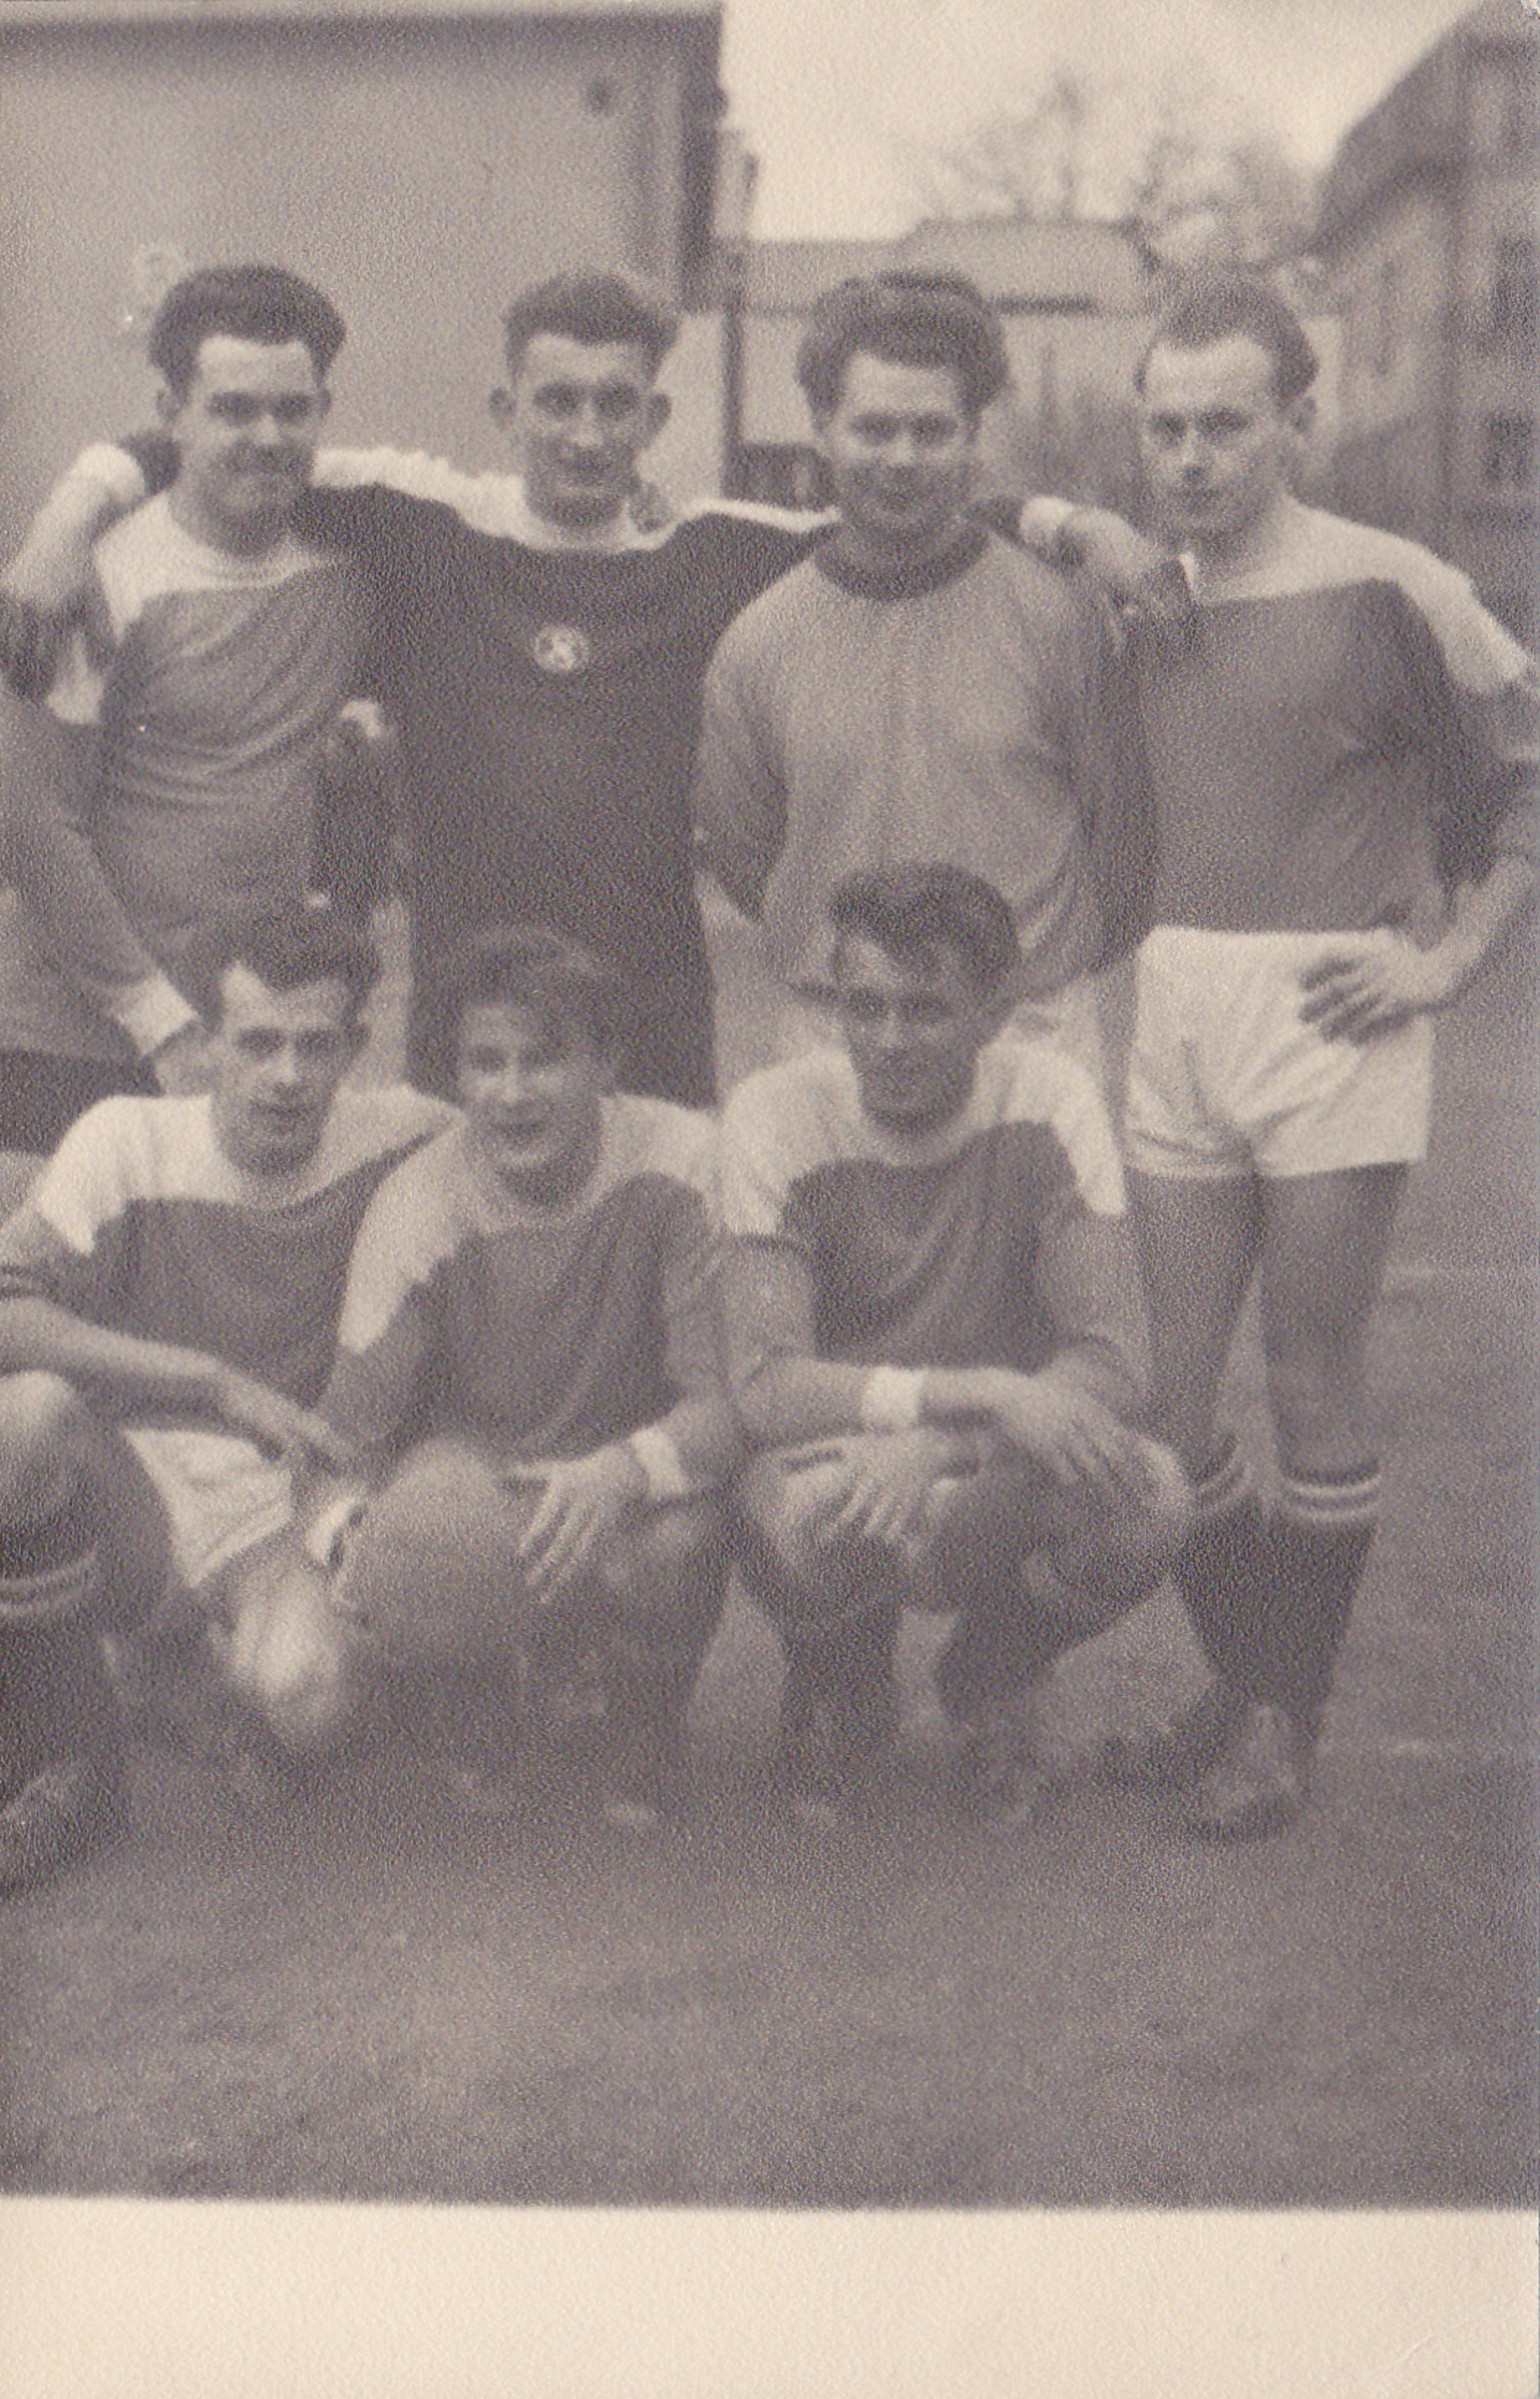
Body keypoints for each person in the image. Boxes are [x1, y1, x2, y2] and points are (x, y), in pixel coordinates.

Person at [1066, 273, 1536, 1839]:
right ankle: (1248, 1678)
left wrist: (1447, 960)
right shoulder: (1142, 593)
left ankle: (1277, 1717)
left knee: (1307, 1373)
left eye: (1225, 424)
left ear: (1297, 427)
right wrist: (1080, 526)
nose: (1191, 456)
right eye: (1165, 427)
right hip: (1178, 1001)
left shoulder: (1394, 585)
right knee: (1171, 1401)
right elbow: (989, 520)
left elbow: (1529, 769)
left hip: (1333, 1012)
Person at [3, 272, 823, 1107]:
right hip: (459, 1036)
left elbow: (877, 521)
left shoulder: (716, 553)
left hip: (650, 1027)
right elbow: (201, 448)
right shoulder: (426, 527)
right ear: (506, 411)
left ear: (654, 418)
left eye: (614, 404)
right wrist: (66, 519)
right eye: (557, 402)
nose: (585, 434)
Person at [715, 863, 1190, 1821]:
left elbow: (1114, 1360)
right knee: (796, 1514)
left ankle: (992, 1677)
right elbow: (764, 1386)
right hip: (842, 1454)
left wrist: (939, 1443)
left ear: (994, 1012)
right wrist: (966, 1396)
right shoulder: (774, 1113)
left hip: (988, 1462)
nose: (888, 1040)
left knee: (1149, 1499)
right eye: (864, 1007)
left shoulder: (1050, 1100)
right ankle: (840, 1679)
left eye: (925, 1010)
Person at [0, 904, 451, 1888]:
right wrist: (207, 1377)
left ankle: (183, 1675)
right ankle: (64, 1745)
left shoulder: (407, 1135)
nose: (285, 1075)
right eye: (255, 1042)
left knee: (312, 1704)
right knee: (23, 1420)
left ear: (354, 1047)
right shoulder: (125, 1141)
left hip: (283, 1499)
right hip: (134, 1481)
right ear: (205, 1041)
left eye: (314, 1045)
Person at [300, 924, 739, 1825]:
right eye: (484, 1062)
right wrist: (358, 1547)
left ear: (605, 1061)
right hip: (484, 1464)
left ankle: (643, 1713)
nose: (509, 1093)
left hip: (630, 1454)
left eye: (541, 1060)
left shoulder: (685, 1161)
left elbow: (729, 1401)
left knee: (683, 1543)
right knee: (424, 1541)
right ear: (456, 1075)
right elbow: (339, 1441)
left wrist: (622, 1471)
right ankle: (471, 1691)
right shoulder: (418, 1206)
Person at [692, 272, 1142, 1076]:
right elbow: (747, 856)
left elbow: (1124, 835)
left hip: (1023, 1031)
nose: (901, 458)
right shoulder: (758, 643)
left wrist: (1025, 978)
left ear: (972, 434)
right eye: (873, 428)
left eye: (931, 431)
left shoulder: (1059, 618)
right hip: (835, 1036)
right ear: (821, 429)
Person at [0, 266, 379, 1157]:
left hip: (241, 1029)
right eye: (233, 409)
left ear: (324, 409)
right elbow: (31, 823)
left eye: (292, 410)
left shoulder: (354, 558)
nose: (267, 436)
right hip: (72, 1034)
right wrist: (158, 1023)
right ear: (171, 412)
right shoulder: (89, 578)